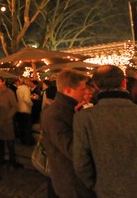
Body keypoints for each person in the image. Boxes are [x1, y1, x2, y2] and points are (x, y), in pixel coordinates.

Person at [73, 65, 137, 197]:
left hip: (110, 192)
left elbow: (81, 164)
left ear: (95, 86)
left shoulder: (84, 118)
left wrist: (98, 185)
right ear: (124, 82)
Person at [41, 68, 94, 198]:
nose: (84, 93)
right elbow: (72, 149)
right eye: (82, 90)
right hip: (71, 181)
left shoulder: (69, 108)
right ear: (68, 90)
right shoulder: (56, 114)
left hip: (74, 179)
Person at [0, 76, 21, 169]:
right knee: (0, 142)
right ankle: (1, 160)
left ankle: (12, 161)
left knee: (10, 142)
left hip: (7, 121)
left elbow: (15, 106)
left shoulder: (9, 92)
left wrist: (8, 116)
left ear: (3, 82)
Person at [15, 77, 35, 146]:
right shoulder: (26, 89)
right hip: (26, 109)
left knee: (21, 127)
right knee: (27, 127)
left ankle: (22, 140)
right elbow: (26, 99)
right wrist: (31, 104)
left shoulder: (18, 89)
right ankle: (28, 141)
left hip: (19, 109)